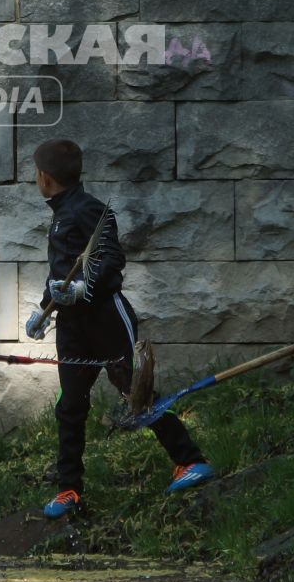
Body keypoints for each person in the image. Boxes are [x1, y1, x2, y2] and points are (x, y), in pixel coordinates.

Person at [25, 138, 212, 517]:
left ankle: (191, 460)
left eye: (36, 173)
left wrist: (83, 288)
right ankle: (69, 490)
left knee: (134, 392)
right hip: (72, 326)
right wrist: (44, 308)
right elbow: (62, 273)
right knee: (71, 405)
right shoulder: (60, 213)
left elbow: (111, 258)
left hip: (106, 318)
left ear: (44, 178)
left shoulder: (88, 209)